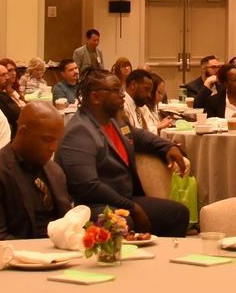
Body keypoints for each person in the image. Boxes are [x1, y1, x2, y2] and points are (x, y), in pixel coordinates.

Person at [55, 72, 190, 236]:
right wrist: (131, 207)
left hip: (124, 199)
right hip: (93, 206)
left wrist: (168, 146)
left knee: (177, 213)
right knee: (124, 222)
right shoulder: (80, 132)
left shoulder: (114, 120)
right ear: (96, 97)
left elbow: (138, 136)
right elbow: (88, 186)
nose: (122, 95)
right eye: (115, 90)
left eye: (121, 89)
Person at [0, 102, 73, 242]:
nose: (53, 148)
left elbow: (69, 224)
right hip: (17, 258)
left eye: (57, 140)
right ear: (23, 132)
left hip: (63, 255)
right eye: (47, 140)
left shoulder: (54, 171)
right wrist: (43, 254)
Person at [122, 68, 166, 133]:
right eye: (146, 89)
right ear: (133, 85)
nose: (149, 95)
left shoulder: (140, 105)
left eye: (150, 91)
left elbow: (146, 132)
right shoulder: (122, 106)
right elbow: (129, 137)